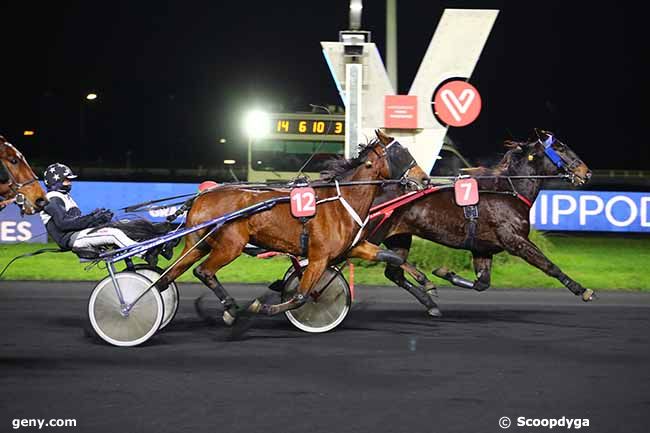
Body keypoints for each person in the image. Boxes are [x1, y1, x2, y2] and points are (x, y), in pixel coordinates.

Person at [39, 163, 152, 260]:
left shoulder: (63, 196)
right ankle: (145, 253)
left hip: (76, 234)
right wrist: (93, 218)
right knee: (113, 234)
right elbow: (64, 223)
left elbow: (76, 222)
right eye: (67, 180)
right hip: (71, 239)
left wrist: (96, 218)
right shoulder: (52, 198)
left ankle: (149, 241)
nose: (70, 183)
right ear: (56, 181)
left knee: (122, 224)